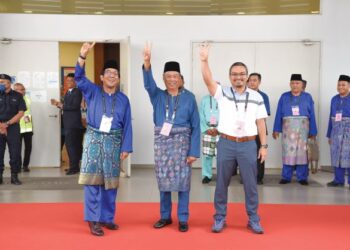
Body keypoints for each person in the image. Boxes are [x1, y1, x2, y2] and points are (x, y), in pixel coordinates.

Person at [199, 43, 268, 234]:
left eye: (242, 74)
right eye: (235, 74)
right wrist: (204, 61)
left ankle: (253, 218)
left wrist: (264, 146)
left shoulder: (256, 96)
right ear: (230, 77)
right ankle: (219, 218)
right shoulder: (222, 93)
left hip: (248, 144)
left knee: (251, 184)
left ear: (247, 76)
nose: (238, 77)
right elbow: (208, 80)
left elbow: (261, 123)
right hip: (227, 143)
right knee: (221, 183)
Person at [75, 42, 133, 236]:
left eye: (115, 74)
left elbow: (127, 125)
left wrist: (126, 147)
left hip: (114, 142)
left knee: (111, 183)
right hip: (93, 139)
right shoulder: (92, 91)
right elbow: (79, 77)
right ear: (101, 77)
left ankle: (107, 218)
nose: (111, 76)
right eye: (108, 73)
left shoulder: (124, 99)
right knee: (93, 182)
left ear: (118, 78)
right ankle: (92, 220)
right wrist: (82, 56)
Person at [142, 42, 200, 233]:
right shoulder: (157, 95)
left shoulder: (189, 97)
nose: (172, 79)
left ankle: (183, 218)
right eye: (168, 76)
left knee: (183, 183)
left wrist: (193, 151)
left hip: (183, 144)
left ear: (181, 79)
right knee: (164, 181)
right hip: (162, 144)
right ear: (164, 78)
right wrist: (147, 63)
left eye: (175, 76)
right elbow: (148, 84)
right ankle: (165, 216)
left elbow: (196, 125)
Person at [273, 74, 317, 185]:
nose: (295, 85)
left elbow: (312, 115)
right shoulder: (284, 96)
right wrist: (276, 129)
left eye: (297, 83)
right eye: (292, 83)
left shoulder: (308, 97)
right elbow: (279, 113)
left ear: (302, 84)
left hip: (304, 129)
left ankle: (302, 177)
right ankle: (286, 176)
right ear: (290, 84)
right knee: (288, 152)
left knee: (303, 152)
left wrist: (313, 131)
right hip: (288, 129)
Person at [51, 73, 83, 175]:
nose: (69, 82)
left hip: (73, 124)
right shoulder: (68, 92)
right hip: (68, 123)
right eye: (67, 81)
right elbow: (66, 106)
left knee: (71, 145)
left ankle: (74, 167)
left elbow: (74, 106)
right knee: (72, 145)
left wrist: (60, 104)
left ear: (75, 82)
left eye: (71, 81)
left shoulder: (77, 92)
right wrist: (58, 104)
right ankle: (74, 166)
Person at [0, 74, 26, 185]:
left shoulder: (18, 96)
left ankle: (14, 176)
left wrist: (7, 124)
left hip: (13, 127)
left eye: (3, 82)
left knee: (15, 153)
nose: (0, 84)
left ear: (9, 83)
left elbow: (21, 112)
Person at [326, 75, 350, 188]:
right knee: (336, 155)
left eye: (343, 85)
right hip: (335, 130)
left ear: (349, 86)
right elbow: (331, 117)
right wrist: (329, 134)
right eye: (339, 84)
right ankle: (338, 180)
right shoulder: (334, 99)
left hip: (348, 131)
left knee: (348, 155)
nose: (341, 87)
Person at [247, 73, 270, 185]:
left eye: (254, 80)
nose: (252, 82)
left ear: (259, 82)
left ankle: (259, 177)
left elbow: (265, 114)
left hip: (259, 129)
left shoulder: (263, 96)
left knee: (260, 152)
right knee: (246, 154)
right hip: (246, 130)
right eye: (250, 80)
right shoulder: (243, 94)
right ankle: (245, 176)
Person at [199, 94, 219, 184]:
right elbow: (201, 115)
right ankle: (207, 175)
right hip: (207, 130)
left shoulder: (225, 99)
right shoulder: (204, 99)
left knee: (221, 156)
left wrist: (219, 129)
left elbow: (228, 115)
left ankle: (222, 175)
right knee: (207, 155)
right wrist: (206, 129)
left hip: (220, 132)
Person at [13, 83, 33, 172]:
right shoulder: (12, 99)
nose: (22, 91)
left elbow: (28, 113)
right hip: (17, 127)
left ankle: (25, 165)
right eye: (20, 89)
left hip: (28, 127)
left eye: (23, 89)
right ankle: (18, 166)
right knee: (17, 148)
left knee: (28, 147)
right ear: (15, 90)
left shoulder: (27, 99)